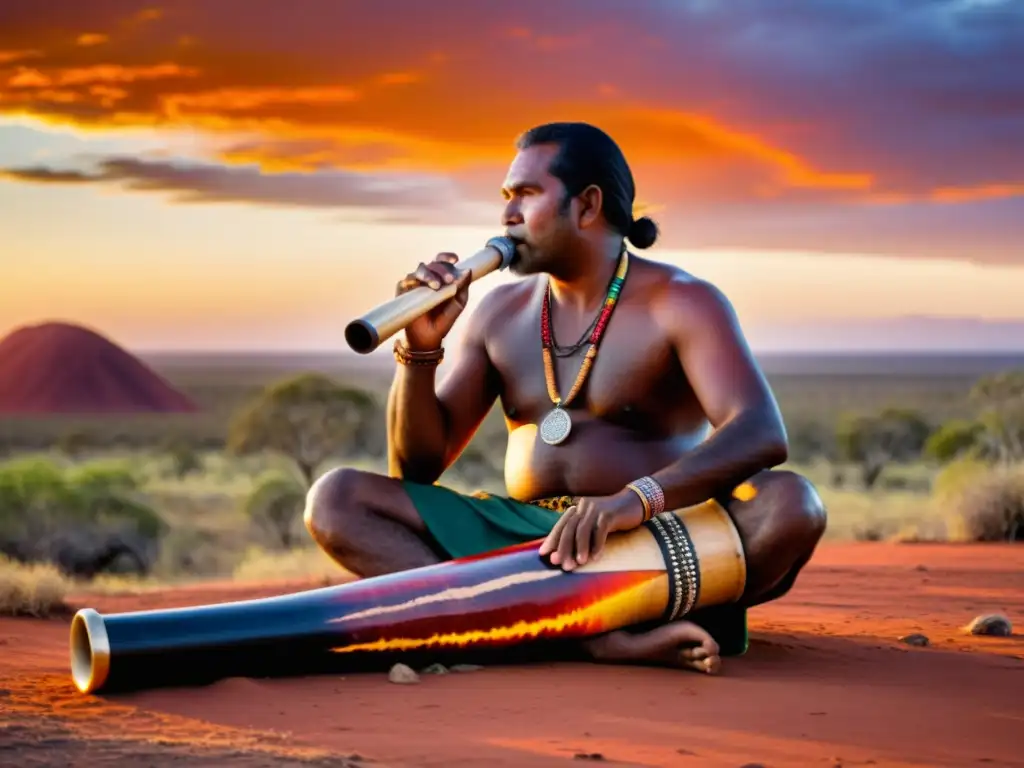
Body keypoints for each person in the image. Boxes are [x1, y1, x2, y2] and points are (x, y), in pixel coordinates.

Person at [305, 122, 826, 675]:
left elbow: (760, 431)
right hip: (525, 542)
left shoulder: (682, 301)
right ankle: (587, 635)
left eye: (526, 194)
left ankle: (509, 620)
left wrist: (632, 501)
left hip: (647, 540)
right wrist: (419, 351)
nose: (507, 215)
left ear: (588, 205)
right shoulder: (498, 312)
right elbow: (417, 468)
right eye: (506, 197)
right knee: (337, 499)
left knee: (792, 505)